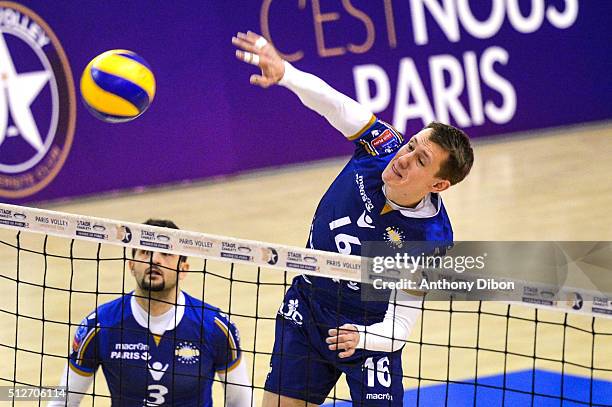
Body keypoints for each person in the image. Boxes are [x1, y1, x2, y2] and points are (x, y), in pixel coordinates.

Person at [232, 31, 474, 406]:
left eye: (421, 161)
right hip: (309, 306)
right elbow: (333, 104)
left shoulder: (431, 240)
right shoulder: (379, 147)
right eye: (411, 146)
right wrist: (286, 73)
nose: (405, 158)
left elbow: (401, 325)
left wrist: (363, 339)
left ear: (439, 184)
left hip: (368, 329)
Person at [49, 219, 252, 407]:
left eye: (166, 253)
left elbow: (241, 403)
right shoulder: (101, 325)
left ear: (184, 269)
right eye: (146, 252)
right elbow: (63, 401)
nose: (155, 260)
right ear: (132, 265)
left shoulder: (215, 327)